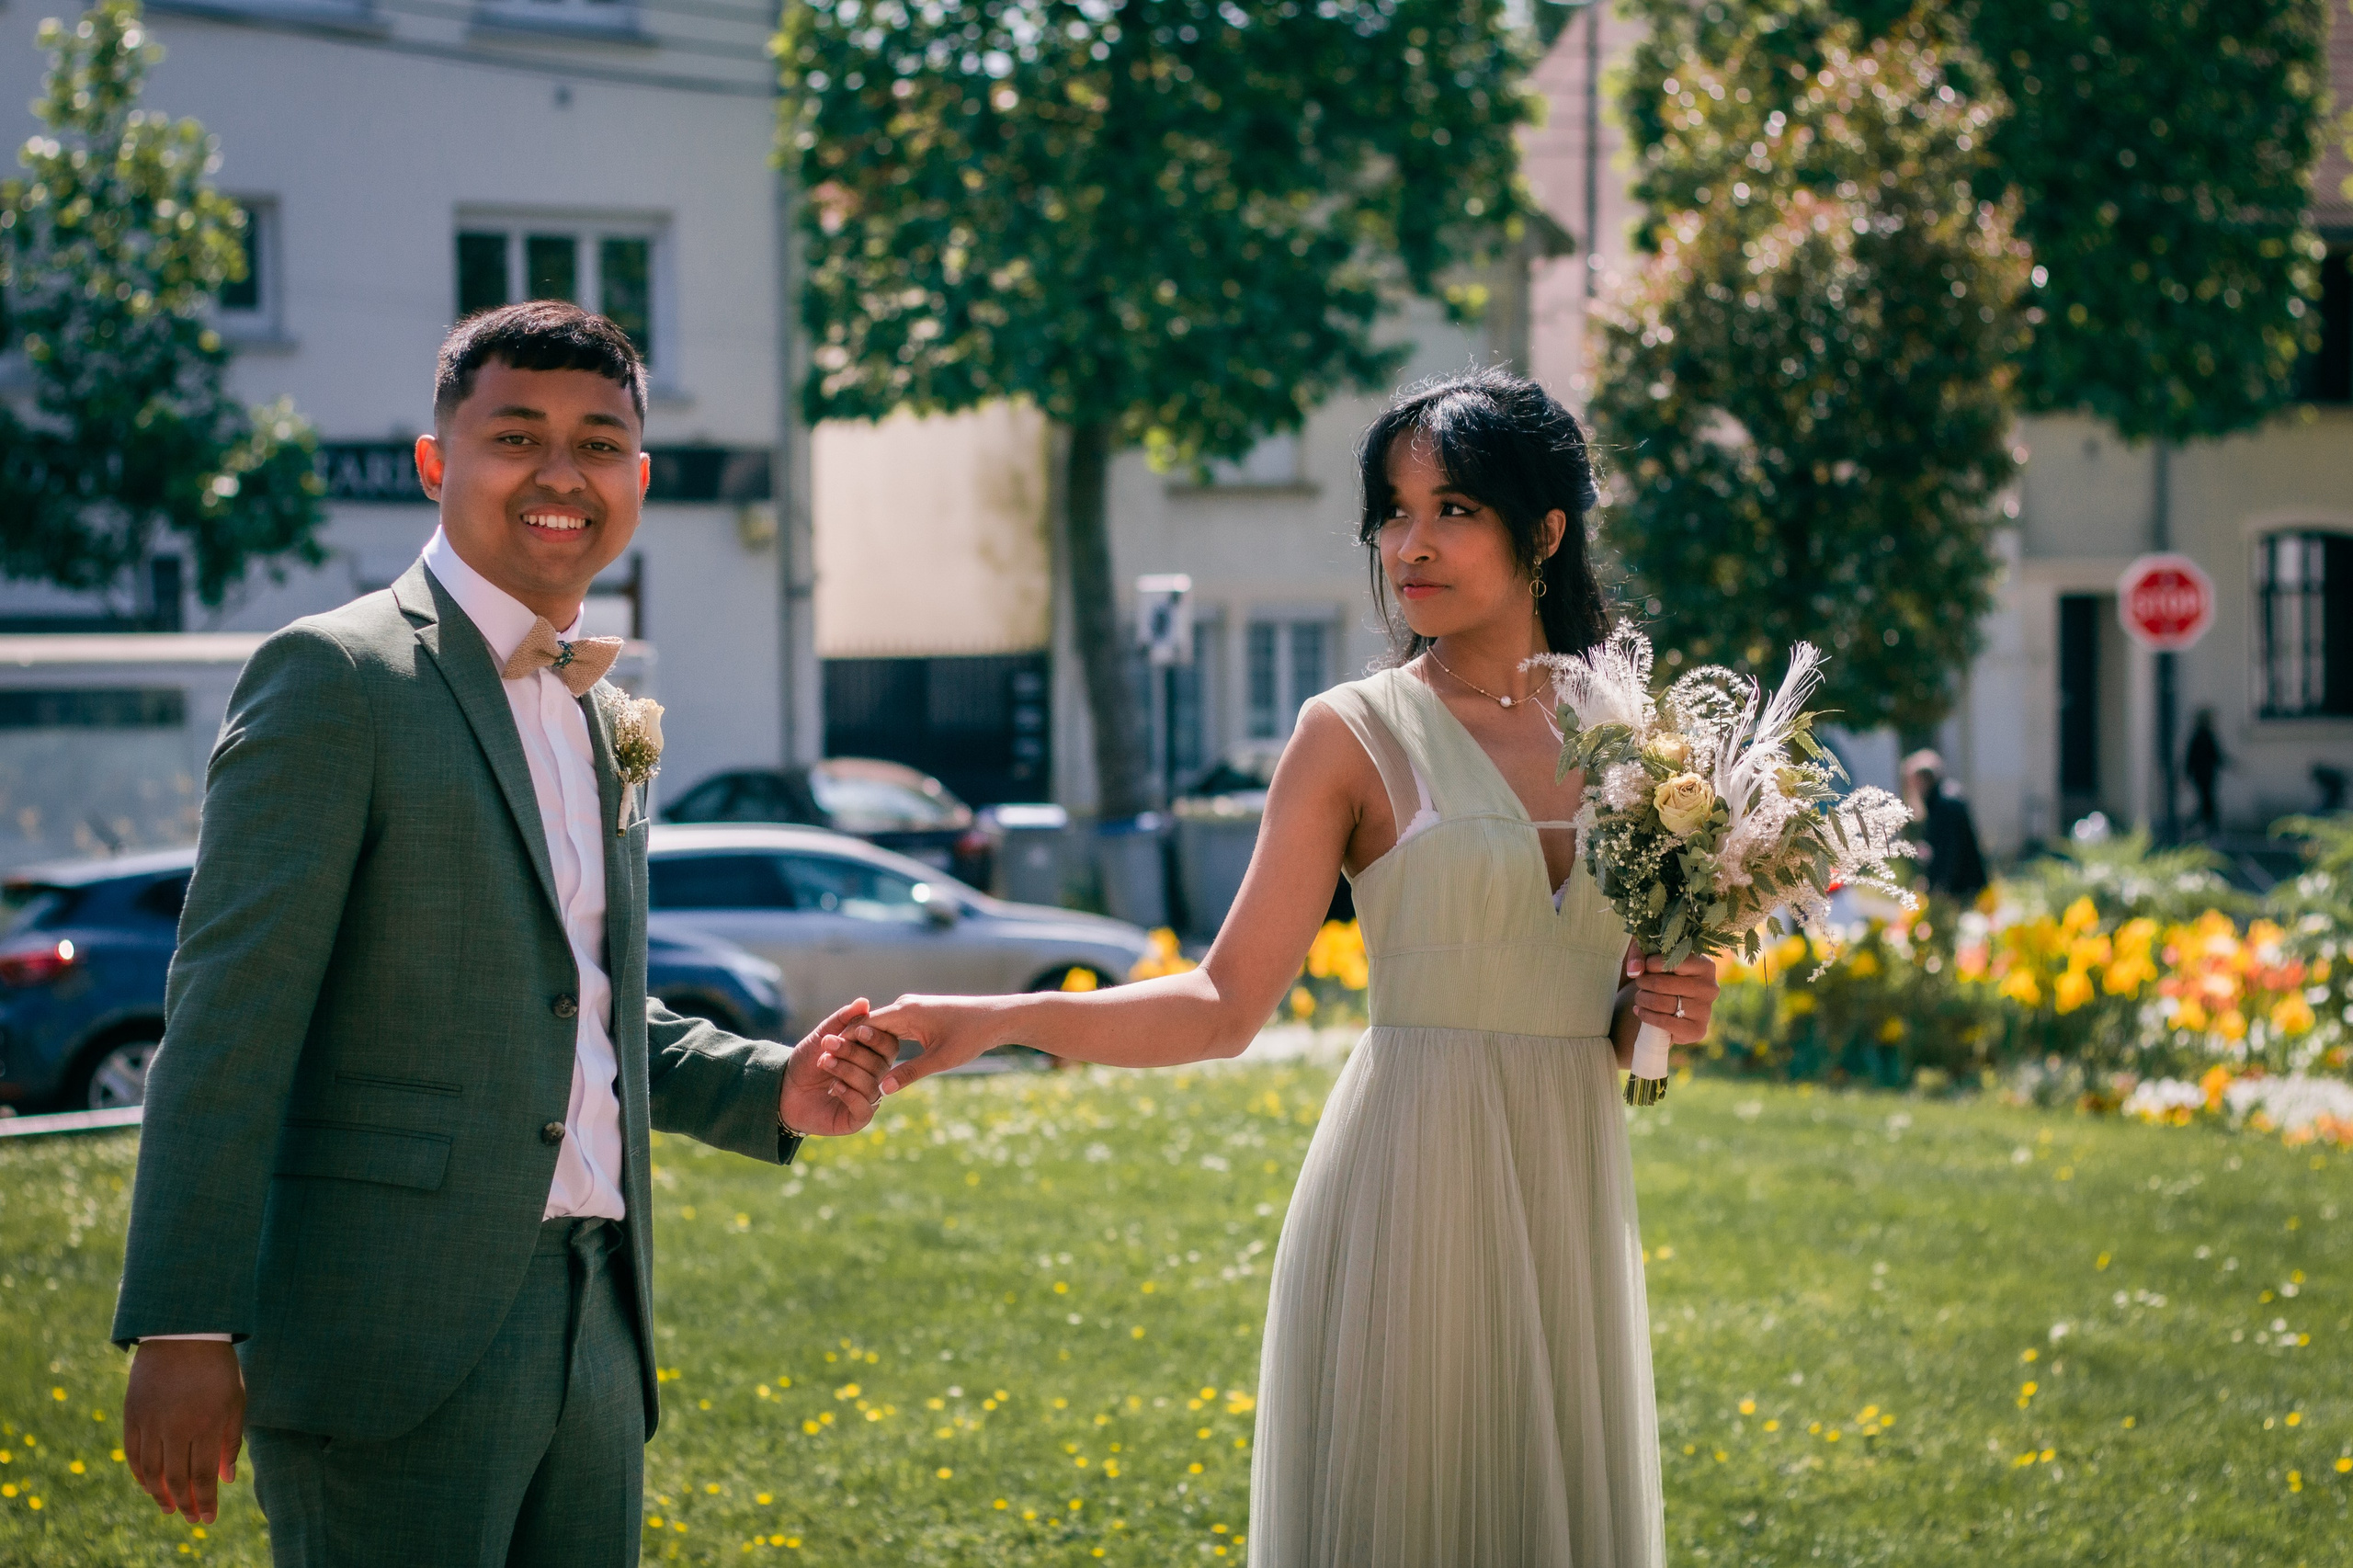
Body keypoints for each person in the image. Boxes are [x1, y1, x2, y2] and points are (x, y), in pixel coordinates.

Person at [857, 368, 1714, 1567]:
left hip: (1568, 1187)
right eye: (1393, 511)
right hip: (1409, 1185)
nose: (1410, 544)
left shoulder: (1636, 739)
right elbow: (1222, 1004)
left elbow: (1612, 1013)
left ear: (1547, 530)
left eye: (1453, 508)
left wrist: (1661, 1012)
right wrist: (997, 1018)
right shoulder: (1350, 732)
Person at [112, 302, 892, 1566]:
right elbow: (227, 1015)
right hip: (387, 1330)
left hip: (596, 1325)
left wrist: (774, 1085)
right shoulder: (336, 678)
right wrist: (185, 1323)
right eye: (515, 435)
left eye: (597, 443)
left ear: (637, 478)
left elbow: (571, 996)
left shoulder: (597, 712)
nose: (560, 474)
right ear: (437, 462)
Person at [1901, 748, 1988, 900]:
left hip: (1962, 887)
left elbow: (1949, 850)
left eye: (1912, 782)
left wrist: (1939, 886)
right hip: (1964, 883)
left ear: (1922, 779)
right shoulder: (1942, 797)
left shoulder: (1945, 803)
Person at [2185, 709, 2224, 836]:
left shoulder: (2197, 736)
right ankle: (2208, 828)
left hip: (2200, 775)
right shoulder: (2206, 736)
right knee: (2207, 802)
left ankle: (2207, 828)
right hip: (2206, 775)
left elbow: (2190, 758)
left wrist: (2187, 774)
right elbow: (2216, 756)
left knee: (2206, 802)